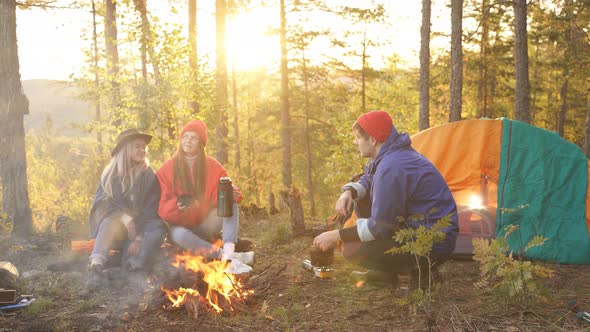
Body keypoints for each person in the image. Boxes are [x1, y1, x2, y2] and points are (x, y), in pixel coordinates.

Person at [313, 110, 459, 283]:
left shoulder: (392, 167)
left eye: (358, 138)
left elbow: (380, 227)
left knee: (351, 247)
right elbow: (369, 176)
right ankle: (387, 273)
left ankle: (419, 272)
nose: (355, 142)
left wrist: (336, 235)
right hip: (426, 234)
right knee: (363, 198)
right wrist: (349, 192)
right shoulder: (391, 154)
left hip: (430, 245)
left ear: (373, 140)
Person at [156, 119, 253, 274]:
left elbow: (218, 194)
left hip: (205, 224)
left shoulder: (213, 167)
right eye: (185, 136)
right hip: (182, 228)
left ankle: (229, 251)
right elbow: (161, 203)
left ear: (200, 142)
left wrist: (231, 194)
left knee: (230, 203)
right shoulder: (166, 169)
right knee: (179, 235)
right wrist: (176, 206)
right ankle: (227, 257)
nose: (188, 140)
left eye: (193, 137)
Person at [87, 128, 167, 285]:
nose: (142, 150)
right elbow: (103, 205)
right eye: (137, 146)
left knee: (155, 231)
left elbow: (151, 211)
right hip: (115, 232)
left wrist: (138, 238)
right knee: (110, 221)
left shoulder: (148, 175)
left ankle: (126, 268)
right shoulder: (110, 174)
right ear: (125, 149)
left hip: (141, 229)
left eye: (144, 147)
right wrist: (125, 218)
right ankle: (96, 264)